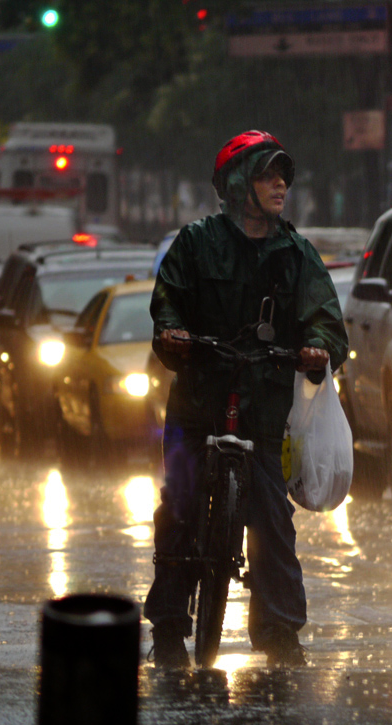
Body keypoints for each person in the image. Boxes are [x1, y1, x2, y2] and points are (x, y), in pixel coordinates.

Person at [145, 130, 349, 670]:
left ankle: (280, 631)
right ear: (239, 185)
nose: (280, 184)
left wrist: (317, 348)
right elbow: (167, 304)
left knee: (272, 516)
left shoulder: (296, 254)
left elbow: (328, 322)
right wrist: (172, 333)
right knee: (181, 504)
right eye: (267, 175)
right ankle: (168, 626)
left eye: (283, 175)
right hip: (196, 403)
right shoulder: (195, 243)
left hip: (263, 411)